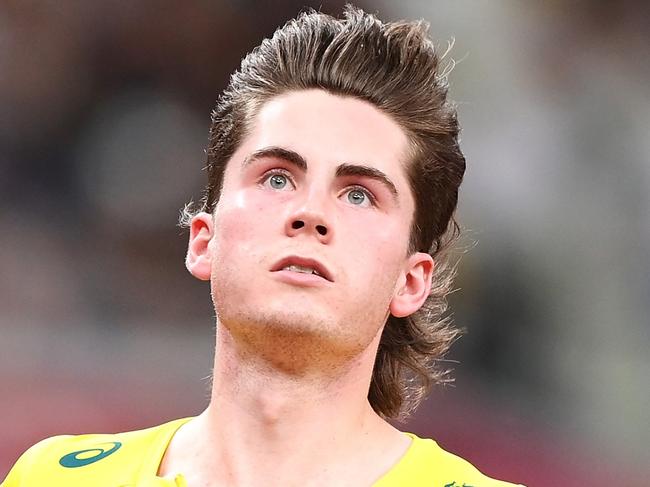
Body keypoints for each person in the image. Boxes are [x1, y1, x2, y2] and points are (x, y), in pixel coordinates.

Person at [2, 6, 524, 487]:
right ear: (204, 240)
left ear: (411, 282)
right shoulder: (53, 477)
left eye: (360, 194)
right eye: (277, 178)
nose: (311, 213)